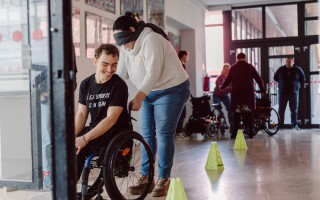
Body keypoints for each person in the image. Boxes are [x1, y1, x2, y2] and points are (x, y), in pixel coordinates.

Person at [113, 12, 190, 197]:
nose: (124, 45)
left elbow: (152, 74)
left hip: (172, 89)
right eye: (120, 42)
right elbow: (121, 73)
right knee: (146, 135)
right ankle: (147, 176)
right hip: (149, 92)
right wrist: (108, 87)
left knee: (163, 133)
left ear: (133, 31)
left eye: (125, 40)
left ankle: (164, 178)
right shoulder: (126, 47)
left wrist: (139, 97)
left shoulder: (152, 39)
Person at [74, 44, 131, 184]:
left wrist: (85, 138)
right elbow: (81, 115)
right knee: (73, 147)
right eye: (105, 64)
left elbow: (111, 119)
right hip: (96, 130)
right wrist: (72, 137)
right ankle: (66, 189)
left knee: (82, 145)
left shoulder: (119, 85)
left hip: (116, 132)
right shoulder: (85, 84)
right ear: (95, 61)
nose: (110, 70)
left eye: (114, 65)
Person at [39, 44, 78, 189]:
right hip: (46, 99)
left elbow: (73, 72)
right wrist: (41, 93)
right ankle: (48, 177)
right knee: (48, 138)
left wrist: (67, 92)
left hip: (63, 98)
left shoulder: (68, 44)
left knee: (64, 137)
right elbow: (37, 71)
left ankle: (64, 174)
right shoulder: (41, 44)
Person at [221, 53, 265, 139]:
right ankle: (251, 133)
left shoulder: (233, 68)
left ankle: (234, 134)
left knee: (236, 116)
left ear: (237, 59)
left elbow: (228, 80)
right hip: (247, 97)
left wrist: (222, 87)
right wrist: (263, 90)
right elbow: (258, 79)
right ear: (245, 58)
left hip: (237, 97)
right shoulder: (250, 67)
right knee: (249, 115)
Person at [273, 56, 305, 130]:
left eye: (289, 62)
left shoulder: (298, 69)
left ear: (292, 61)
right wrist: (282, 83)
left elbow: (303, 78)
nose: (288, 63)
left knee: (294, 110)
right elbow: (275, 77)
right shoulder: (281, 69)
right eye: (287, 61)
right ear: (285, 61)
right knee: (281, 110)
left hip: (293, 94)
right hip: (282, 94)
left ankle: (294, 125)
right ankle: (280, 125)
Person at [175, 50, 191, 140]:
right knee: (181, 114)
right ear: (184, 56)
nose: (188, 58)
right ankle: (178, 133)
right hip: (179, 93)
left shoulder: (179, 65)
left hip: (180, 93)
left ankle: (179, 132)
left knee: (182, 114)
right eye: (187, 56)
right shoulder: (181, 66)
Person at [213, 63, 232, 133]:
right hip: (217, 95)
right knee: (217, 108)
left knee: (230, 108)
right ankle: (218, 124)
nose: (228, 71)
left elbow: (231, 88)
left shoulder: (229, 78)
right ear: (223, 70)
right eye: (226, 70)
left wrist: (229, 88)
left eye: (229, 70)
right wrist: (229, 88)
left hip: (224, 95)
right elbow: (221, 89)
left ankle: (231, 124)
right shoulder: (220, 78)